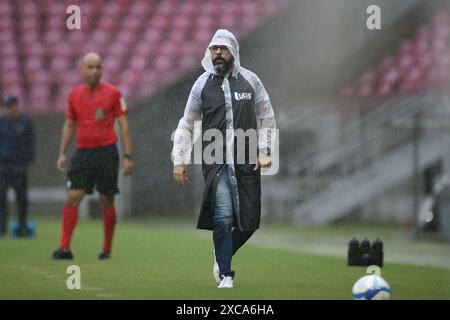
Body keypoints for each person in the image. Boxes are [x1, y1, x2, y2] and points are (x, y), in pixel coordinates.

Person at [172, 29, 276, 288]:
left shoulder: (251, 81)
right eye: (213, 48)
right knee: (224, 216)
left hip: (246, 160)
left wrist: (264, 151)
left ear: (233, 51)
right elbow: (187, 124)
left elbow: (267, 116)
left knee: (250, 221)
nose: (217, 52)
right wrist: (179, 159)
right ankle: (226, 274)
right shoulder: (201, 84)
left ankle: (222, 255)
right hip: (215, 161)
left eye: (223, 48)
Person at [52, 52, 134, 260]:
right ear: (82, 69)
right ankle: (64, 248)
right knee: (73, 196)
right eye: (91, 67)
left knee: (107, 199)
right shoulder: (74, 95)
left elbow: (124, 126)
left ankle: (106, 250)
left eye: (98, 67)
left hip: (107, 152)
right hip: (83, 152)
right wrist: (62, 153)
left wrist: (127, 155)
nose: (95, 71)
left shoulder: (113, 93)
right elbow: (69, 124)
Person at [0, 95, 35, 236]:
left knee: (21, 198)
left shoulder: (25, 122)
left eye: (11, 105)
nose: (9, 109)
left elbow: (31, 144)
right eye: (6, 106)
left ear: (16, 105)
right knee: (1, 198)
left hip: (20, 166)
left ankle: (22, 227)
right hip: (3, 167)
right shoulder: (1, 122)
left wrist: (26, 162)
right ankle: (2, 228)